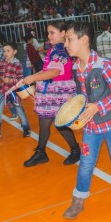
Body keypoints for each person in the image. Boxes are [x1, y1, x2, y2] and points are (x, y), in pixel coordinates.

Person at [63, 21, 111, 219]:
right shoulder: (75, 68)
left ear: (84, 40)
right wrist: (74, 106)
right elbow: (82, 94)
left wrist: (99, 106)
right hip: (91, 126)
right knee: (86, 163)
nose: (66, 44)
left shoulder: (103, 65)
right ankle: (78, 200)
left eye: (69, 39)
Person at [22, 20, 80, 167]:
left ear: (62, 34)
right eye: (48, 33)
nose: (49, 35)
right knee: (46, 121)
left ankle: (74, 149)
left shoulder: (60, 51)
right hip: (53, 91)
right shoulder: (55, 49)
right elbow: (47, 70)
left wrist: (33, 77)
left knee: (58, 123)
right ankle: (42, 152)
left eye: (52, 32)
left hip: (59, 91)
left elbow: (54, 72)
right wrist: (33, 77)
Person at [0, 41, 31, 142]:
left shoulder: (17, 64)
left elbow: (21, 80)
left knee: (20, 111)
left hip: (14, 93)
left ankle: (26, 128)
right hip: (3, 92)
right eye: (4, 51)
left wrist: (10, 80)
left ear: (15, 51)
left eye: (8, 51)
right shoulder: (1, 63)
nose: (5, 53)